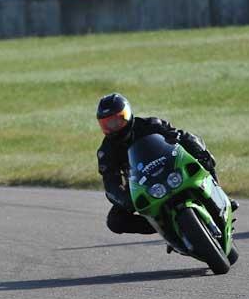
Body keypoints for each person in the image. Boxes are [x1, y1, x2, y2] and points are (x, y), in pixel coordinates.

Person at [95, 93, 237, 235]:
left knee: (200, 155)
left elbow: (180, 135)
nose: (113, 127)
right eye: (107, 124)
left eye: (116, 121)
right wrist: (125, 199)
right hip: (144, 185)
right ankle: (164, 227)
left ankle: (221, 195)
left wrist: (199, 152)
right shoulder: (106, 152)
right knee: (115, 221)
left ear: (127, 115)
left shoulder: (150, 124)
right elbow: (110, 183)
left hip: (172, 168)